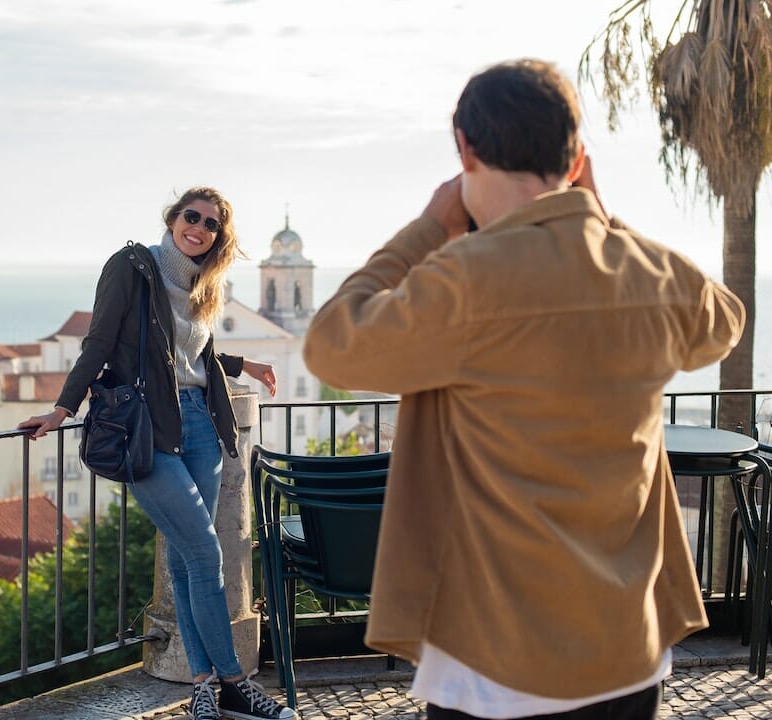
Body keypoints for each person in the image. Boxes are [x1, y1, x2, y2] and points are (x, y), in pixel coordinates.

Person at [303, 59, 745, 720]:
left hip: (494, 663)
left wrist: (428, 227)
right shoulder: (649, 276)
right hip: (626, 651)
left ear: (466, 149)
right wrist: (603, 222)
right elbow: (721, 321)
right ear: (574, 159)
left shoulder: (464, 278)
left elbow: (333, 343)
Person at [19, 186, 295, 720]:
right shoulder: (133, 266)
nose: (199, 227)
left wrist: (247, 367)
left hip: (201, 423)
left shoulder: (202, 284)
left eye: (211, 224)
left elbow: (195, 350)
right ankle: (235, 683)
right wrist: (62, 409)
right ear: (172, 218)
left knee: (190, 560)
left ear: (219, 236)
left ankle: (202, 686)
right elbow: (99, 343)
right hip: (146, 427)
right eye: (191, 216)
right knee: (205, 553)